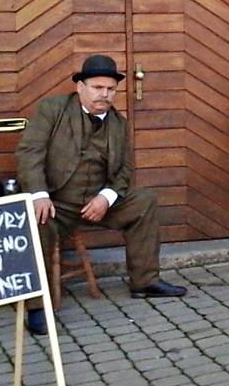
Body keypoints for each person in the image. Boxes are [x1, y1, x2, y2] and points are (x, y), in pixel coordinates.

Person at [16, 54, 186, 336]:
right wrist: (38, 193)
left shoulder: (118, 123)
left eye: (110, 89)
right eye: (97, 87)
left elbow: (125, 171)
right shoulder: (53, 110)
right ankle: (37, 307)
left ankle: (145, 281)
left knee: (144, 201)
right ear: (80, 87)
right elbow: (29, 152)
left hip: (96, 202)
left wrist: (106, 197)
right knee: (38, 223)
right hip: (57, 202)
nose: (104, 94)